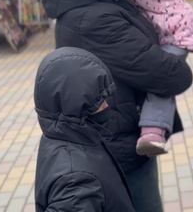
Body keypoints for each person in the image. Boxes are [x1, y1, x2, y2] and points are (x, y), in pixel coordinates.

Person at [42, 0, 193, 212]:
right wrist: (178, 58)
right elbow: (171, 75)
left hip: (115, 140)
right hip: (116, 148)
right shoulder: (93, 18)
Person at [34, 47, 135, 212]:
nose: (106, 105)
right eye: (97, 100)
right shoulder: (76, 183)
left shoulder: (66, 136)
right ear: (73, 105)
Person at [129, 0, 193, 156]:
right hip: (162, 36)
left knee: (161, 79)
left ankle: (153, 133)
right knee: (159, 77)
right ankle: (153, 133)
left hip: (177, 35)